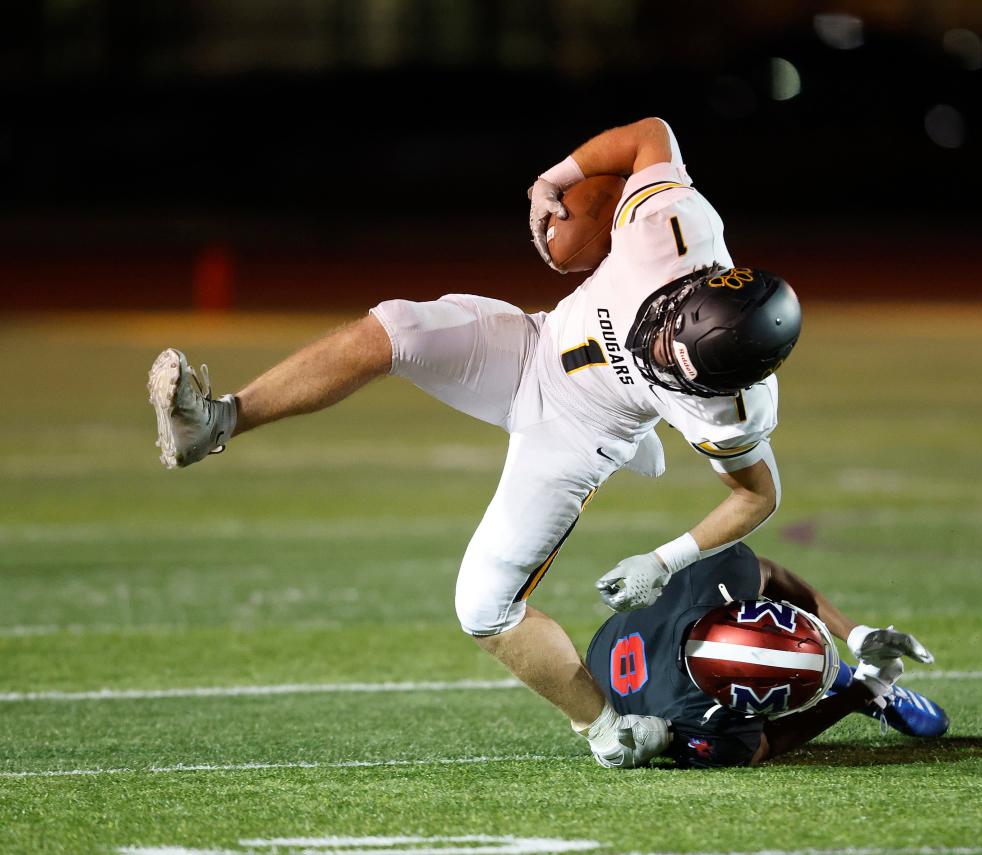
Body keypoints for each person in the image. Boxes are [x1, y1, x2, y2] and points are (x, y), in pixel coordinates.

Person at [147, 118, 801, 768]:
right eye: (662, 336)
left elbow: (757, 493)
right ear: (689, 292)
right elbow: (651, 134)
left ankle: (602, 728)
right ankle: (216, 422)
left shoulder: (733, 405)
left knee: (483, 606)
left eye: (674, 366)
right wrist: (558, 177)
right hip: (533, 346)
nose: (653, 352)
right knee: (397, 326)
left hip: (581, 432)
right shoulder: (670, 231)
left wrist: (664, 560)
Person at [585, 543, 949, 767]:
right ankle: (838, 680)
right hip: (615, 691)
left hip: (613, 646)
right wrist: (865, 689)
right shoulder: (704, 722)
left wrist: (855, 633)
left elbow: (767, 572)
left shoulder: (709, 582)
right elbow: (766, 744)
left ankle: (825, 672)